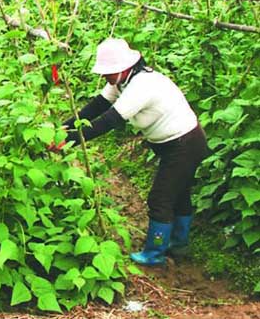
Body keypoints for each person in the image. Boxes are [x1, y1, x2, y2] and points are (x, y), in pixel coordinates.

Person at [52, 38, 208, 266]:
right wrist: (64, 129)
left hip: (185, 143)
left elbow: (108, 121)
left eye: (108, 73)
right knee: (179, 192)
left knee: (161, 198)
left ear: (123, 68)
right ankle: (179, 244)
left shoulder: (141, 86)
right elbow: (97, 106)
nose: (105, 77)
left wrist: (70, 141)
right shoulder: (122, 80)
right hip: (175, 143)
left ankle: (154, 254)